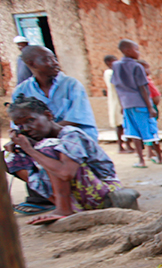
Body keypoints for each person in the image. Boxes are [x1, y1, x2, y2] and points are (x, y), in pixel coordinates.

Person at [8, 45, 99, 215]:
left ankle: (64, 207)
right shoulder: (22, 90)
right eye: (48, 59)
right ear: (31, 63)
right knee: (9, 156)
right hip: (42, 140)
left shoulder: (71, 85)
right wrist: (16, 137)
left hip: (73, 138)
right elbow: (17, 123)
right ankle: (51, 199)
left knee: (49, 147)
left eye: (54, 58)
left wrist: (41, 139)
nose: (55, 63)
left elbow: (76, 119)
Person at [4, 96, 122, 226]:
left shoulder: (71, 134)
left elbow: (66, 173)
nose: (26, 128)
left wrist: (30, 150)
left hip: (103, 193)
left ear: (48, 116)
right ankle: (64, 205)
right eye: (20, 125)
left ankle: (64, 209)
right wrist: (24, 148)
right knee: (11, 156)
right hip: (80, 198)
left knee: (46, 147)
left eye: (30, 120)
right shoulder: (41, 141)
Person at [110, 39, 160, 168]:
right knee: (149, 130)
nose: (138, 52)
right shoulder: (137, 66)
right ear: (127, 50)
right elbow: (143, 88)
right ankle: (158, 156)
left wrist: (122, 105)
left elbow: (117, 87)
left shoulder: (116, 66)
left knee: (134, 133)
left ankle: (141, 160)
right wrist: (150, 107)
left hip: (127, 104)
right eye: (136, 49)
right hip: (140, 104)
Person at [104, 55, 134, 154]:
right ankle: (121, 146)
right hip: (117, 101)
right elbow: (116, 85)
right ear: (109, 63)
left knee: (125, 123)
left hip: (122, 100)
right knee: (119, 124)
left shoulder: (116, 73)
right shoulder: (109, 73)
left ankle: (128, 144)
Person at [137, 59, 162, 164]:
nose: (149, 70)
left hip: (151, 107)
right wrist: (151, 107)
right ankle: (152, 153)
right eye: (146, 68)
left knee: (151, 130)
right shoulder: (144, 81)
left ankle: (151, 152)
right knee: (151, 131)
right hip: (149, 108)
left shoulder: (147, 80)